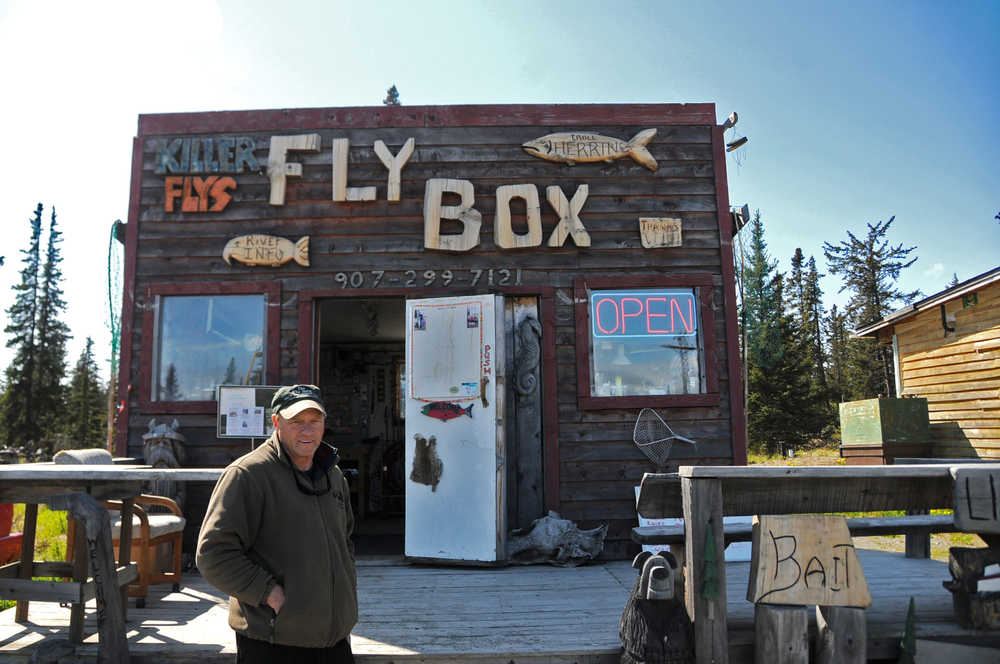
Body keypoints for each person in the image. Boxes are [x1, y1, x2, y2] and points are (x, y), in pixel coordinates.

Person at [197, 384, 357, 663]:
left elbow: (345, 541)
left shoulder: (333, 475)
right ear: (276, 422)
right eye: (296, 422)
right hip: (274, 640)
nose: (307, 431)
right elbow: (213, 555)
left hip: (334, 638)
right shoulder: (247, 474)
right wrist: (270, 594)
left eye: (314, 421)